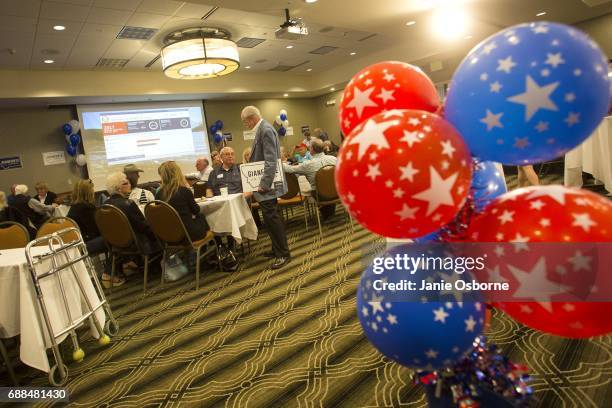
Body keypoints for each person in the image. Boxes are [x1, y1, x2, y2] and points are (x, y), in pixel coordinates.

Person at [241, 105, 290, 269]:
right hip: (266, 186)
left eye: (245, 121)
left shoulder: (266, 130)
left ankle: (283, 253)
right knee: (270, 220)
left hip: (267, 186)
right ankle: (277, 249)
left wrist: (263, 184)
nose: (245, 124)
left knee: (273, 220)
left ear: (251, 118)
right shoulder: (263, 128)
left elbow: (271, 160)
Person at [67, 179, 125, 287]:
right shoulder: (85, 208)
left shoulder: (75, 207)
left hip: (78, 243)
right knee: (117, 238)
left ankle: (116, 271)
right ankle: (109, 273)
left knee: (113, 237)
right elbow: (96, 229)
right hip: (85, 244)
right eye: (92, 189)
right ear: (88, 192)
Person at [283, 138, 338, 220]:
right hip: (336, 192)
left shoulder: (308, 164)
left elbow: (290, 169)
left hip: (320, 195)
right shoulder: (334, 159)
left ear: (311, 149)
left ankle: (327, 213)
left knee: (318, 189)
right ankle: (329, 213)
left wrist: (279, 163)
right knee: (329, 185)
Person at [105, 172, 159, 255]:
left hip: (115, 246)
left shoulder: (105, 205)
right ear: (118, 188)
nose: (129, 184)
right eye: (126, 183)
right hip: (136, 245)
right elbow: (143, 226)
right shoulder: (128, 204)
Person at [157, 161, 210, 242]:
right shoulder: (184, 191)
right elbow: (196, 210)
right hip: (188, 235)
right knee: (202, 216)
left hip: (168, 236)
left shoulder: (158, 194)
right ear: (177, 173)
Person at [206, 147, 243, 252]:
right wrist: (209, 199)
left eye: (232, 153)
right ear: (221, 157)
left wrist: (243, 197)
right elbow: (209, 189)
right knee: (209, 216)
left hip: (236, 204)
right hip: (219, 205)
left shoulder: (240, 169)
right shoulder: (214, 172)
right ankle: (219, 245)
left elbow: (248, 189)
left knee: (229, 214)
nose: (230, 156)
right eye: (227, 154)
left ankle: (231, 246)